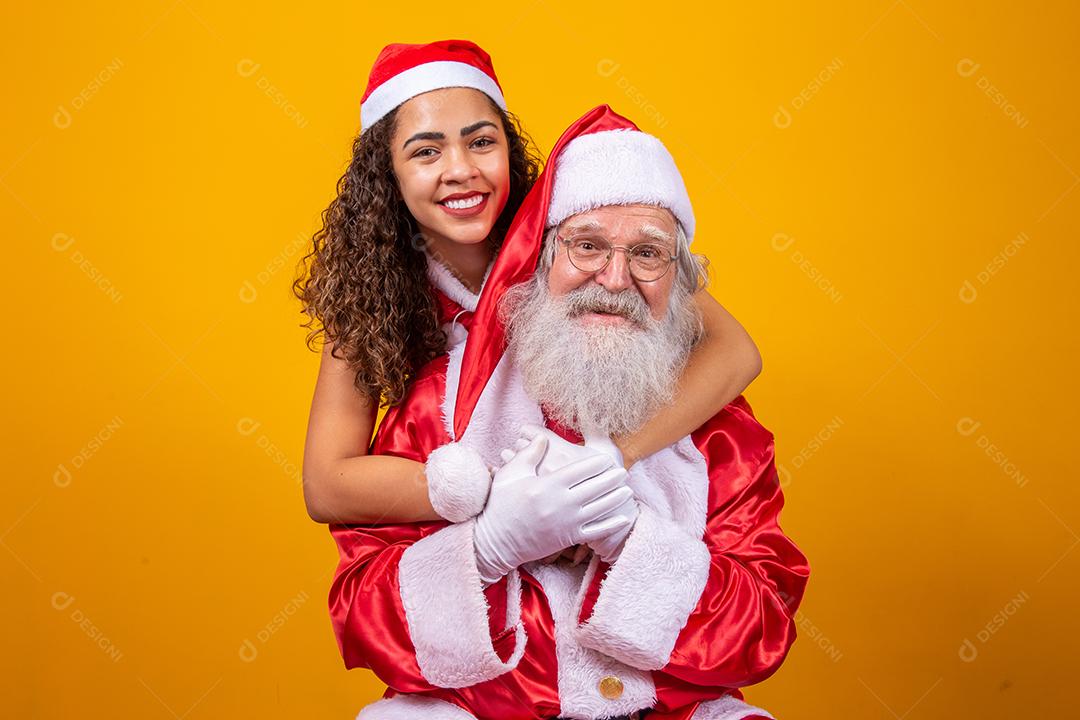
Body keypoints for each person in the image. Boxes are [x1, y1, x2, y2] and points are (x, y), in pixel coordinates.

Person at [328, 106, 810, 720]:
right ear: (537, 258)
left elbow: (764, 629)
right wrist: (488, 546)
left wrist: (630, 536)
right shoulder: (439, 408)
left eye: (648, 254)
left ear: (680, 280)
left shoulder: (717, 426)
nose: (615, 278)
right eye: (586, 246)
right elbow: (361, 615)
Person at [294, 40, 763, 529]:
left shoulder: (573, 229)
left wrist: (606, 462)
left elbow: (735, 351)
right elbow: (326, 484)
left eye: (481, 142)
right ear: (387, 174)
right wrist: (501, 495)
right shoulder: (368, 292)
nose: (461, 170)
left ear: (509, 149)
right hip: (474, 543)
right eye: (426, 152)